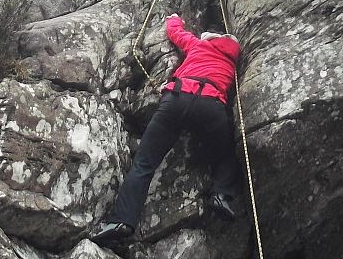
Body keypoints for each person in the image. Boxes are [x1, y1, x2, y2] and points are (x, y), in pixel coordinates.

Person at [91, 14, 242, 244]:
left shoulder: (198, 45)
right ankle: (221, 194)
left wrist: (174, 19)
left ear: (209, 38)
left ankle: (122, 220)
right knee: (228, 150)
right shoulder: (232, 63)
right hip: (211, 107)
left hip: (177, 99)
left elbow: (176, 34)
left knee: (144, 162)